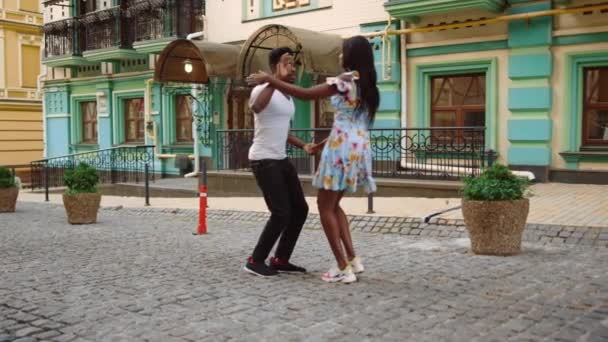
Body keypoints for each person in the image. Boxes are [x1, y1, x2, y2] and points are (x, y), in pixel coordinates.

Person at [247, 36, 379, 283]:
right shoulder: (367, 82)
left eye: (342, 52)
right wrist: (316, 144)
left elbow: (306, 95)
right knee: (329, 206)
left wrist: (270, 78)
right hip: (355, 147)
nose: (340, 56)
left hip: (339, 149)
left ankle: (342, 267)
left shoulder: (345, 79)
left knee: (323, 207)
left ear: (352, 55)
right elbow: (348, 122)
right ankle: (351, 260)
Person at [244, 47, 315, 277]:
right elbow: (256, 108)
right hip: (263, 159)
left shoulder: (288, 97)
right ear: (275, 66)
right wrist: (271, 82)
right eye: (287, 63)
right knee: (281, 212)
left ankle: (280, 259)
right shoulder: (261, 89)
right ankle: (255, 260)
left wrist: (303, 145)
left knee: (300, 210)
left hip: (280, 158)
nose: (293, 68)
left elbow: (283, 130)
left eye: (294, 64)